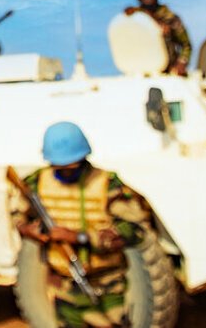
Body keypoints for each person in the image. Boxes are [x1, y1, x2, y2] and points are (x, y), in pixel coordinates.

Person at [17, 122, 152, 328]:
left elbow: (135, 230)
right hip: (63, 285)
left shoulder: (108, 185)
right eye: (60, 169)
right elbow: (18, 217)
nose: (66, 174)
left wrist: (80, 237)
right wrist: (28, 231)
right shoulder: (36, 183)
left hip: (107, 285)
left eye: (72, 168)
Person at [124, 0, 191, 75]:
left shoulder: (170, 18)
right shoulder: (133, 17)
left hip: (167, 70)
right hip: (140, 70)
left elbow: (186, 45)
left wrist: (181, 63)